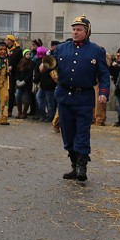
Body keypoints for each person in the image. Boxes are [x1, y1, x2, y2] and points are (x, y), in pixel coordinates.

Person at [51, 16, 110, 182]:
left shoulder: (96, 51)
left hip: (84, 97)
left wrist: (104, 92)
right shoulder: (61, 49)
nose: (76, 32)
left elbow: (104, 74)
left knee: (82, 132)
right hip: (64, 97)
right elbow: (50, 64)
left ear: (87, 31)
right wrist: (44, 66)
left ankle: (82, 166)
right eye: (74, 29)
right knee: (67, 133)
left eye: (79, 29)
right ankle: (73, 165)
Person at [34, 47, 58, 124]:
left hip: (50, 86)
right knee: (39, 99)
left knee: (50, 102)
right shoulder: (44, 63)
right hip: (43, 84)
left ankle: (50, 117)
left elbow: (55, 77)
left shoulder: (55, 64)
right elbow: (40, 70)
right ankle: (43, 115)